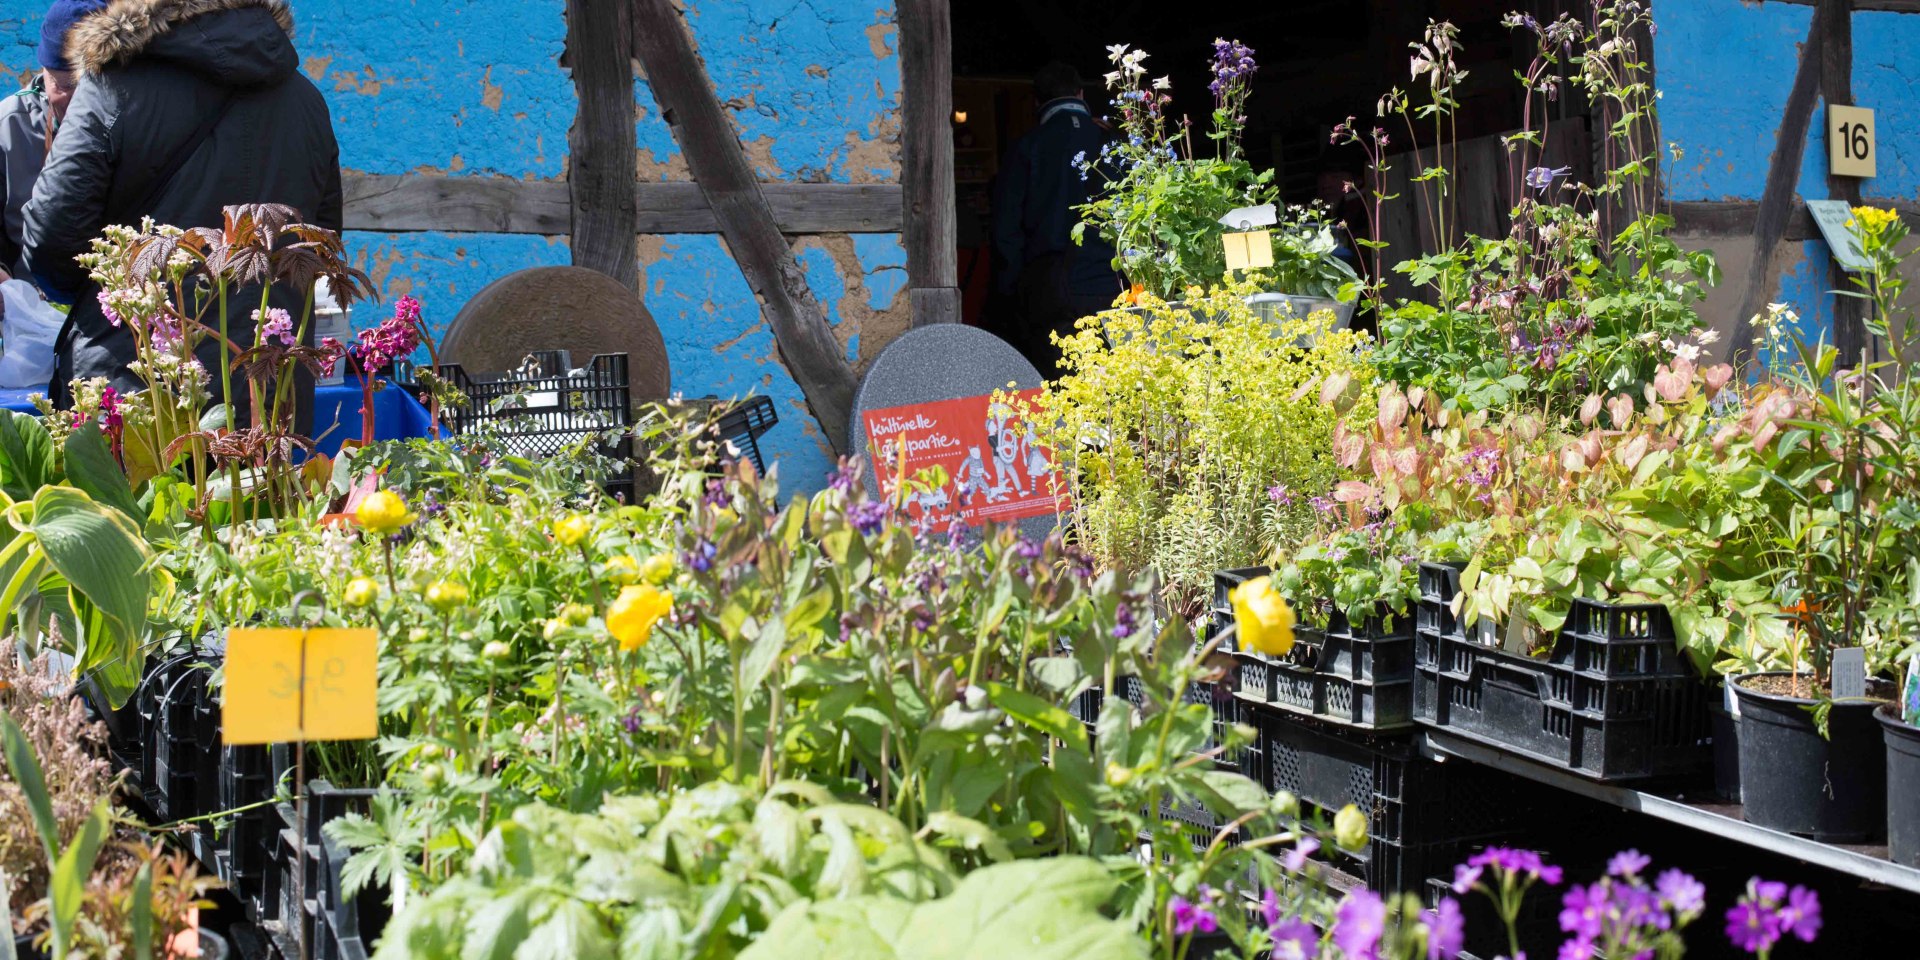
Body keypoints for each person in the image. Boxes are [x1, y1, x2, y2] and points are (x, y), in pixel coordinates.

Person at [23, 0, 343, 409]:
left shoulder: (111, 88)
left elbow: (51, 238)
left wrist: (101, 295)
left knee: (149, 475)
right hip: (267, 390)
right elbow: (320, 243)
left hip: (141, 389)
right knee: (258, 475)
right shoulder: (306, 99)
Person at [991, 61, 1120, 376]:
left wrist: (1011, 291)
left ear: (1036, 102)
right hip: (1114, 282)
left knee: (1061, 387)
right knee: (1117, 385)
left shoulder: (1026, 147)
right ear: (1080, 93)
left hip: (1050, 287)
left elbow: (1006, 230)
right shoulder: (1113, 143)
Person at [0, 0, 106, 281]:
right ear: (43, 72)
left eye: (91, 86)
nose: (80, 102)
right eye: (64, 86)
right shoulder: (9, 126)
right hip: (33, 303)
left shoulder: (133, 122)